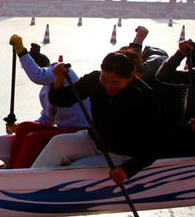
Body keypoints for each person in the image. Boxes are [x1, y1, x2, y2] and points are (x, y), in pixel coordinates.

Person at [32, 51, 162, 185]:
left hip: (122, 155)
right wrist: (58, 78)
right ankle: (30, 183)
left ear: (131, 77)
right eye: (104, 79)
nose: (108, 86)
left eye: (115, 82)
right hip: (94, 140)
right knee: (58, 143)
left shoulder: (144, 96)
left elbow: (155, 145)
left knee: (74, 169)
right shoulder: (95, 79)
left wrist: (127, 169)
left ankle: (42, 190)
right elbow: (62, 99)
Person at [7, 35, 89, 168]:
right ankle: (13, 168)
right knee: (25, 128)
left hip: (81, 130)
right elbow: (47, 119)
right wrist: (18, 126)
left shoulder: (61, 71)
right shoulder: (46, 90)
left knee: (34, 139)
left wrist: (21, 52)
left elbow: (37, 75)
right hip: (65, 129)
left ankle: (21, 174)